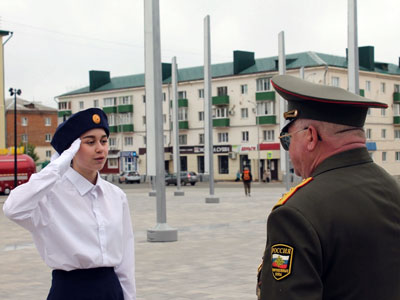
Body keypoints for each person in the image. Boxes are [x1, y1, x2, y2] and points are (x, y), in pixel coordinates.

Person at [257, 75, 400, 300]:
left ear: (311, 137)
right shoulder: (393, 189)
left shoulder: (296, 214)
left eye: (287, 140)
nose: (289, 152)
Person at [3, 108, 136, 300]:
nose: (100, 148)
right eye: (90, 142)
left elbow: (125, 259)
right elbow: (12, 208)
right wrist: (57, 166)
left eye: (104, 141)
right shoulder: (49, 195)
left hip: (111, 290)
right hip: (70, 291)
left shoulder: (116, 196)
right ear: (70, 150)